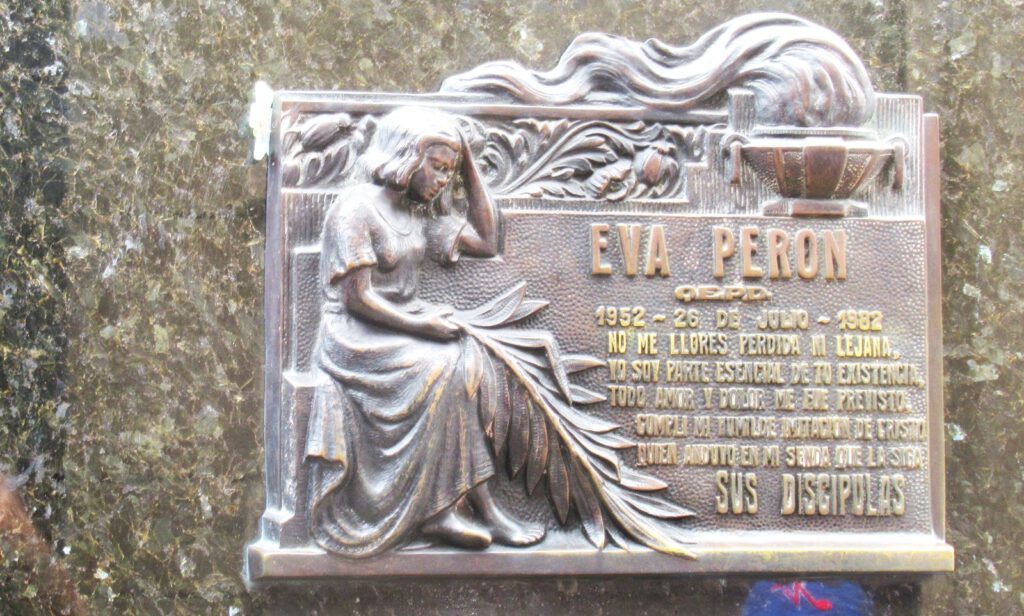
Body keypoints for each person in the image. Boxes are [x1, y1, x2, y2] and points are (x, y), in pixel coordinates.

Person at [304, 107, 545, 557]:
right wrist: (422, 326)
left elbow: (487, 240)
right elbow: (358, 298)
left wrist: (468, 163)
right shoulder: (355, 209)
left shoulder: (417, 214)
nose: (442, 180)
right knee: (442, 366)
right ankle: (445, 511)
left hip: (403, 326)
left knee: (467, 360)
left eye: (449, 171)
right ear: (407, 157)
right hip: (354, 335)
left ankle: (478, 507)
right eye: (436, 167)